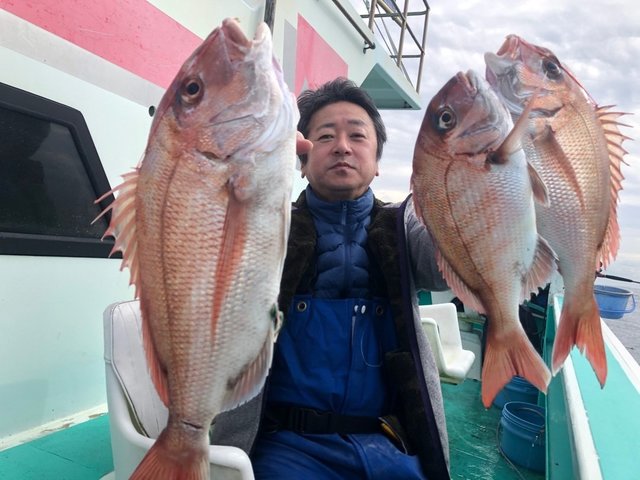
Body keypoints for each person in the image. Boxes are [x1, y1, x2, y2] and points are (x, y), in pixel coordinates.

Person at [211, 78, 451, 479]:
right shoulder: (266, 227)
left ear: (377, 164)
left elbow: (448, 265)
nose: (342, 146)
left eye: (357, 136)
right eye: (324, 136)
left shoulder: (404, 227)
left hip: (388, 444)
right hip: (287, 447)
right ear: (301, 161)